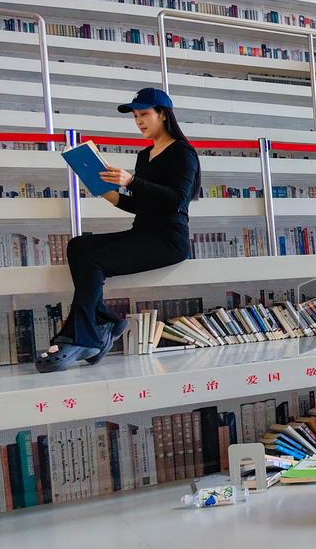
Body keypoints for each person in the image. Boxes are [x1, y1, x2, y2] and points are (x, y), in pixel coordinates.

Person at [35, 88, 201, 372]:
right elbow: (141, 206)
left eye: (144, 114)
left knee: (94, 260)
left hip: (168, 240)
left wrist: (131, 181)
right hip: (142, 232)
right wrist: (111, 195)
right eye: (136, 116)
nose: (139, 121)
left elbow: (177, 200)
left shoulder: (183, 153)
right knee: (78, 246)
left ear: (163, 114)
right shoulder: (144, 155)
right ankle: (101, 323)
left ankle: (81, 336)